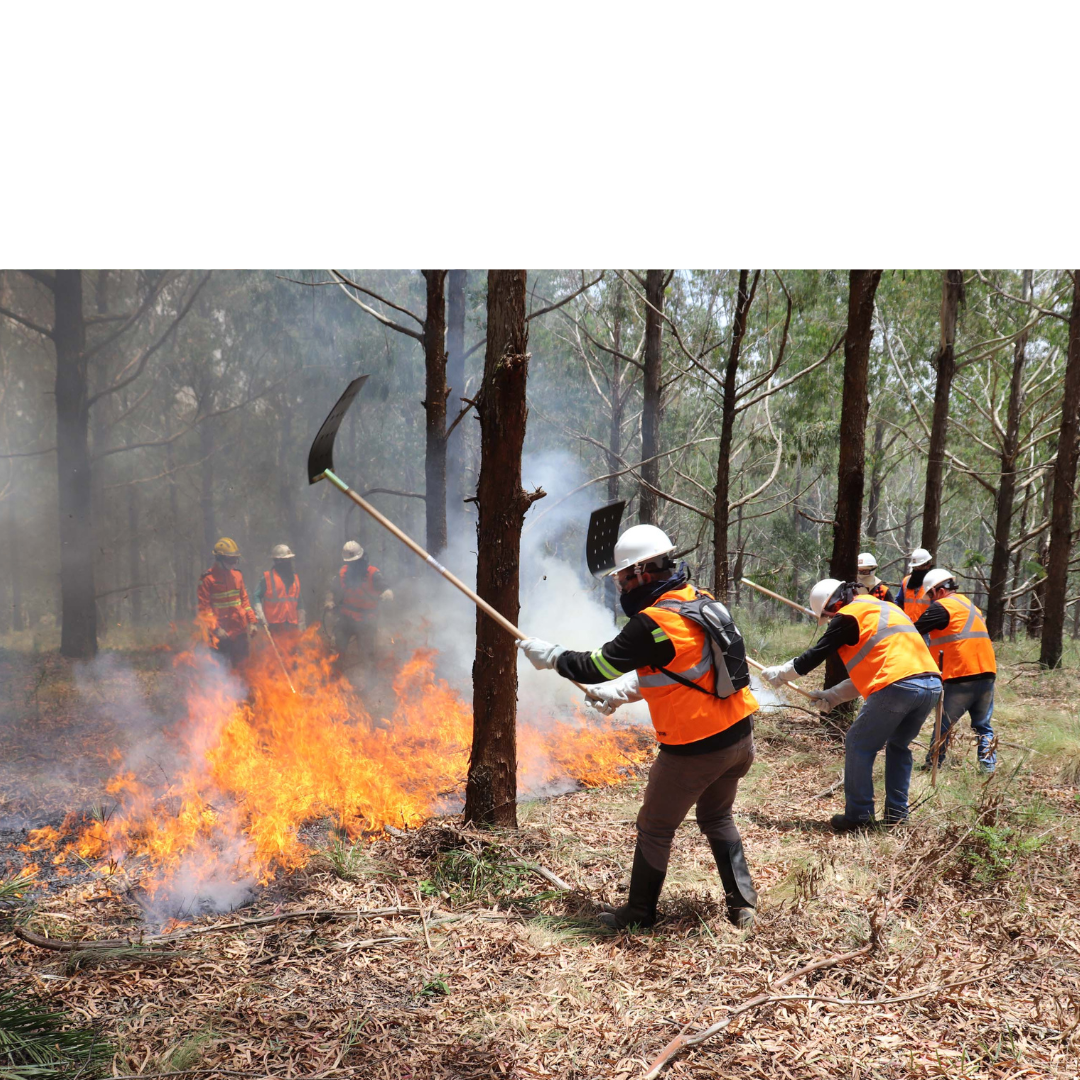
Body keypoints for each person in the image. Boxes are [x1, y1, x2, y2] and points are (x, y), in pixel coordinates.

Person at [517, 524, 760, 932]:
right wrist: (616, 695)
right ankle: (744, 905)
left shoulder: (651, 623)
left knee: (654, 826)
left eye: (623, 578)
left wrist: (552, 655)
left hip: (694, 748)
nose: (621, 587)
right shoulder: (699, 602)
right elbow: (681, 669)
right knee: (716, 817)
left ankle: (639, 914)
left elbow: (594, 665)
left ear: (643, 572)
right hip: (739, 738)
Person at [762, 579, 941, 832]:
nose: (830, 619)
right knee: (899, 746)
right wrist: (833, 696)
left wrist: (781, 674)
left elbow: (814, 656)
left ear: (833, 606)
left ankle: (858, 816)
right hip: (930, 684)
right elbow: (878, 673)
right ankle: (897, 815)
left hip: (898, 685)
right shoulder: (886, 609)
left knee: (858, 743)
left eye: (827, 616)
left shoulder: (848, 617)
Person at [913, 568, 997, 774]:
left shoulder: (942, 607)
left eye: (930, 595)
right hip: (987, 672)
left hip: (961, 674)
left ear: (939, 590)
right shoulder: (972, 607)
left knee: (944, 725)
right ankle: (988, 769)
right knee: (983, 726)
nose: (931, 600)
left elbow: (912, 632)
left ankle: (933, 765)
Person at [324, 541, 393, 664]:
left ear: (362, 558)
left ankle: (370, 681)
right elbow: (331, 589)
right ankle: (336, 677)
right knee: (336, 649)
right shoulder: (342, 573)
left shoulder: (373, 573)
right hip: (346, 618)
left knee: (367, 656)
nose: (353, 565)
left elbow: (386, 589)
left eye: (355, 562)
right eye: (350, 563)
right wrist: (329, 601)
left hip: (367, 620)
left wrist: (387, 594)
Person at [197, 537, 258, 669]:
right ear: (219, 559)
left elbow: (245, 602)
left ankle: (245, 690)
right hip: (220, 634)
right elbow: (204, 609)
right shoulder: (207, 579)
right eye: (231, 560)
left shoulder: (237, 575)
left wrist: (252, 622)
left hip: (239, 630)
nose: (234, 563)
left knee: (243, 668)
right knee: (221, 670)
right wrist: (216, 629)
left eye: (235, 559)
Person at [253, 544, 306, 652]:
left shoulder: (295, 578)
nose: (288, 563)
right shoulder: (267, 578)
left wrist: (301, 623)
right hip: (274, 625)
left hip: (291, 624)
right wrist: (260, 615)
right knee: (276, 657)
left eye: (289, 560)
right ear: (277, 562)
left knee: (292, 655)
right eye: (286, 560)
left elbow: (299, 601)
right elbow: (256, 596)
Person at [897, 547, 934, 623]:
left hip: (926, 630)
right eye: (915, 567)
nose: (917, 570)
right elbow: (899, 602)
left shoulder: (934, 583)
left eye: (919, 567)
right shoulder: (906, 581)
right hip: (907, 627)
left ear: (928, 565)